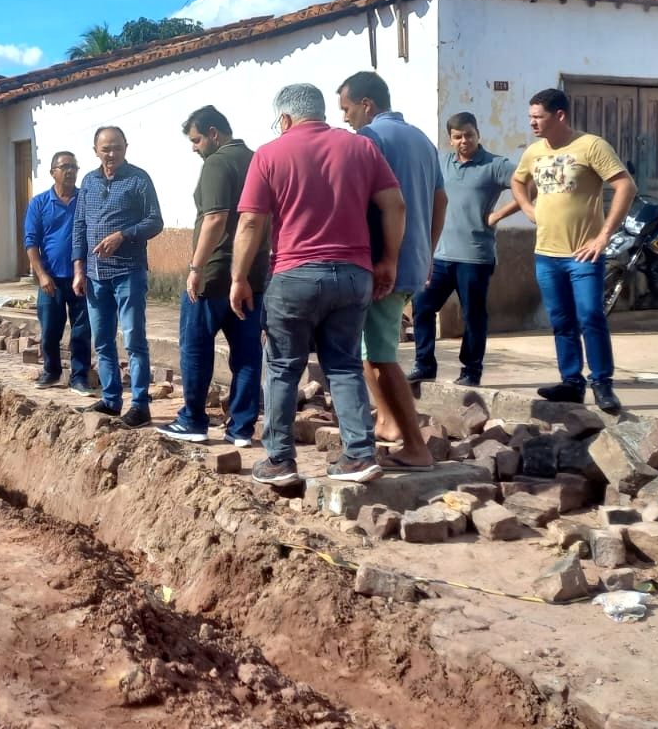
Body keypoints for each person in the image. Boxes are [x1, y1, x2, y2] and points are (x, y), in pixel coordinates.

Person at [230, 83, 406, 487]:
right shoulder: (360, 147)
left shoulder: (269, 154)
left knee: (281, 367)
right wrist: (389, 261)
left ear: (286, 118)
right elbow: (394, 204)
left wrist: (239, 278)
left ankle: (279, 461)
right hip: (353, 273)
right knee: (343, 364)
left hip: (294, 275)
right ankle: (359, 455)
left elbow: (252, 222)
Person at [335, 72, 445, 467]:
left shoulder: (370, 140)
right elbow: (441, 199)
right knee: (372, 349)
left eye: (347, 109)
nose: (345, 119)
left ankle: (416, 446)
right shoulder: (423, 140)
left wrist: (387, 258)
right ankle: (386, 422)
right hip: (411, 260)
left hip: (382, 264)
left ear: (367, 104)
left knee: (380, 355)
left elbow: (364, 203)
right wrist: (427, 251)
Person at [510, 87, 636, 414]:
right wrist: (526, 207)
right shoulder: (534, 152)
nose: (533, 124)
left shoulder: (591, 146)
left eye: (539, 117)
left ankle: (602, 383)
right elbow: (518, 181)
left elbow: (625, 186)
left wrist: (604, 236)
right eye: (531, 117)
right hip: (546, 254)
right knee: (561, 320)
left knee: (591, 316)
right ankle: (571, 382)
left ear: (560, 115)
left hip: (584, 254)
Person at [157, 106, 268, 446]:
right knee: (248, 353)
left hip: (216, 273)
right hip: (254, 274)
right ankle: (242, 428)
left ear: (214, 133)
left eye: (196, 139)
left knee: (195, 348)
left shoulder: (217, 163)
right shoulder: (258, 159)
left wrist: (196, 268)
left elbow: (215, 218)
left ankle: (192, 419)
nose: (194, 148)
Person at [409, 112, 520, 386]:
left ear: (478, 134)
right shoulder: (442, 163)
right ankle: (424, 365)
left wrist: (497, 215)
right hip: (440, 255)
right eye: (457, 136)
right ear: (450, 139)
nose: (463, 141)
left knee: (473, 314)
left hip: (475, 256)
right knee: (422, 306)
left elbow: (528, 186)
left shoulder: (495, 165)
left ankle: (471, 370)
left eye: (468, 135)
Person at [72, 126, 164, 428]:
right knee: (102, 341)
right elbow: (80, 226)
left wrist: (123, 235)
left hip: (128, 272)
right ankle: (111, 400)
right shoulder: (88, 182)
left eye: (117, 148)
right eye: (105, 149)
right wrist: (78, 268)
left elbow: (155, 221)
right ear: (95, 150)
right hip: (95, 276)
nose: (111, 154)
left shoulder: (138, 179)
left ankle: (140, 405)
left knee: (135, 339)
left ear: (126, 147)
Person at [22, 149, 92, 394]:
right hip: (51, 279)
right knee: (50, 329)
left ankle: (80, 376)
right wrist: (41, 275)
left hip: (82, 278)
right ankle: (51, 371)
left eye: (74, 166)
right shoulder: (39, 203)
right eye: (65, 167)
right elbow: (31, 242)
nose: (71, 171)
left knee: (82, 330)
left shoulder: (85, 199)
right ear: (53, 172)